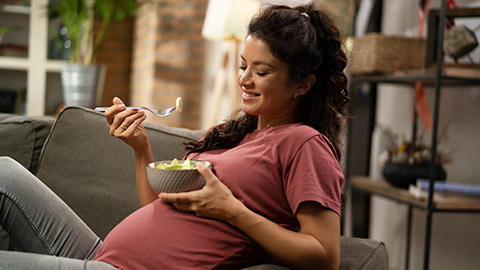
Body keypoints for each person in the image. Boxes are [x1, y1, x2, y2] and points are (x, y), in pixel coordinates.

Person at [0, 2, 350, 269]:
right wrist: (141, 148)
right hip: (100, 255)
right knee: (4, 172)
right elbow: (158, 208)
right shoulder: (229, 136)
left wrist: (233, 211)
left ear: (303, 83)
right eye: (243, 66)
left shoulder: (304, 144)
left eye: (261, 71)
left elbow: (325, 256)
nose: (244, 79)